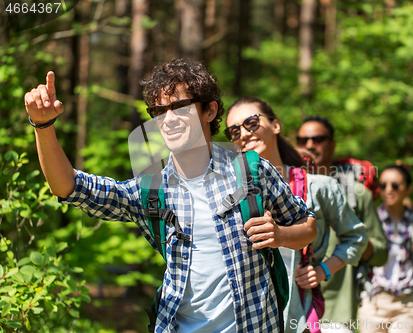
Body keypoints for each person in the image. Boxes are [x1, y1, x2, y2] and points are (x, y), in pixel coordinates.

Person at [24, 59, 318, 333]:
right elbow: (69, 187)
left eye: (179, 107)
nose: (167, 119)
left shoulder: (251, 170)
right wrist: (43, 126)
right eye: (158, 112)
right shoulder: (151, 189)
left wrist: (279, 235)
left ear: (210, 110)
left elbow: (307, 228)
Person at [225, 96, 368, 333]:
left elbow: (356, 237)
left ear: (276, 125)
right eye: (234, 130)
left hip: (301, 314)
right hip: (251, 318)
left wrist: (323, 270)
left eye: (251, 122)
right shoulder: (231, 194)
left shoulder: (319, 187)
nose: (244, 133)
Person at [296, 116, 388, 333]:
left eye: (318, 139)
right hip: (295, 308)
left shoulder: (357, 195)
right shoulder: (287, 190)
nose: (309, 145)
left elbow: (381, 253)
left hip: (337, 313)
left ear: (332, 145)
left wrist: (353, 237)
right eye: (302, 140)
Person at [357, 164, 413, 333]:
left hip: (406, 305)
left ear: (408, 189)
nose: (388, 190)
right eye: (383, 185)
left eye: (395, 185)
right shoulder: (370, 221)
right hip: (373, 303)